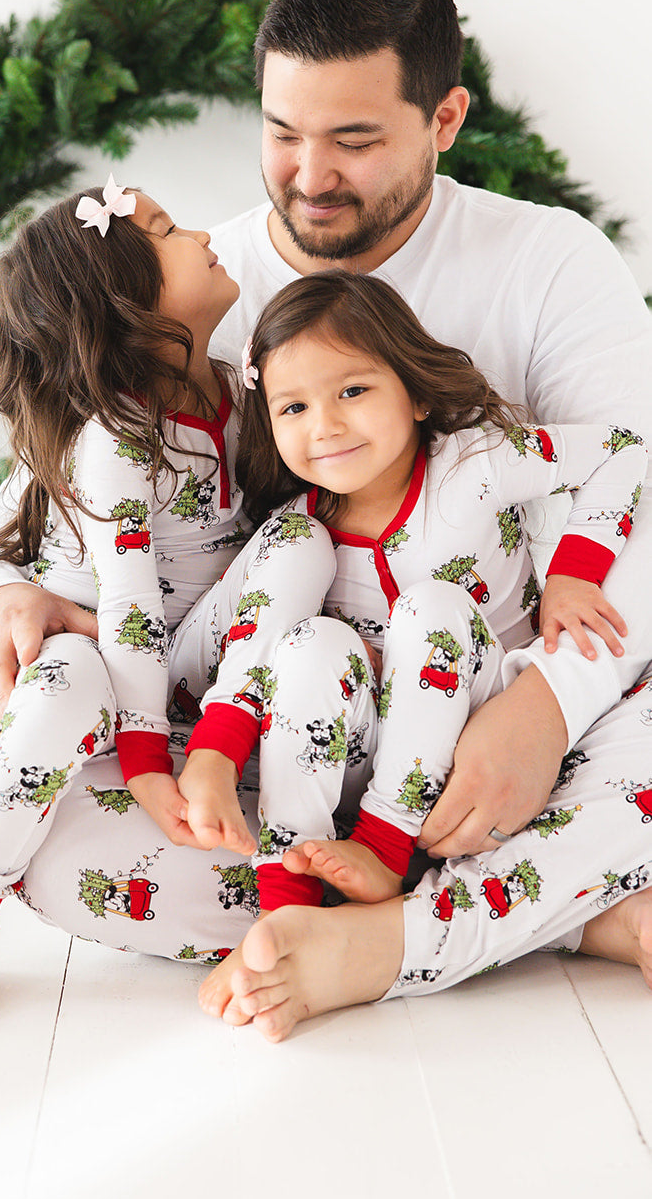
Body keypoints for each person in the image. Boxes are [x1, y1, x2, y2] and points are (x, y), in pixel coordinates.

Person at [0, 0, 652, 1036]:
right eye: (282, 133)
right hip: (287, 729)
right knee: (50, 848)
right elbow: (27, 500)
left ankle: (381, 935)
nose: (309, 173)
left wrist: (542, 710)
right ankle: (542, 907)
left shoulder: (545, 262)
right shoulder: (188, 287)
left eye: (354, 139)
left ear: (444, 118)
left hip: (501, 684)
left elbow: (636, 480)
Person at [0, 176, 337, 1019]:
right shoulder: (114, 433)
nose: (202, 233)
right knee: (58, 685)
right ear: (126, 303)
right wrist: (142, 770)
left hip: (193, 661)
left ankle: (248, 788)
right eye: (171, 231)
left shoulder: (240, 394)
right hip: (101, 642)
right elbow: (128, 604)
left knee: (302, 540)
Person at [175, 270, 644, 971]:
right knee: (307, 646)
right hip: (364, 759)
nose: (325, 425)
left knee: (432, 608)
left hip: (488, 733)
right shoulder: (292, 533)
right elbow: (231, 651)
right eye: (293, 407)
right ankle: (287, 891)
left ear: (416, 392)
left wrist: (574, 572)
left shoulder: (476, 466)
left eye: (352, 391)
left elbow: (619, 451)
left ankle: (386, 852)